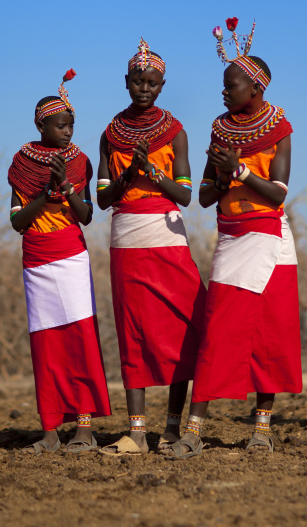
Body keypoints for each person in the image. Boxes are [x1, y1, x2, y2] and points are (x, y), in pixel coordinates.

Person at [163, 18, 302, 459]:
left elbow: (279, 194)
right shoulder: (220, 130)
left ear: (255, 89)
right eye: (224, 85)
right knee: (218, 329)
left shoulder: (279, 127)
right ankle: (195, 429)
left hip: (270, 236)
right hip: (232, 237)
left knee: (270, 332)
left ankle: (261, 427)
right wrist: (223, 177)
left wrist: (241, 171)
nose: (224, 92)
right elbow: (204, 197)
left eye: (231, 85)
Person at [96, 38, 206, 455]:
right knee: (133, 329)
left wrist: (150, 172)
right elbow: (104, 198)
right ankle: (137, 432)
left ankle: (173, 427)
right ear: (126, 82)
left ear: (162, 85)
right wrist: (127, 179)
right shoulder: (111, 133)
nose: (145, 88)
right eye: (138, 81)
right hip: (126, 238)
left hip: (166, 236)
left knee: (183, 325)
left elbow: (184, 194)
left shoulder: (175, 132)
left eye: (153, 82)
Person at [8, 69, 111, 454]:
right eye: (60, 125)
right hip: (36, 257)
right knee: (45, 344)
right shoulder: (22, 163)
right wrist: (45, 193)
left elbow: (85, 215)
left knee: (80, 339)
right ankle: (50, 430)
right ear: (41, 124)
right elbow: (18, 220)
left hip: (70, 255)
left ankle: (85, 426)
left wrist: (65, 187)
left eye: (71, 125)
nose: (68, 132)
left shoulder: (79, 161)